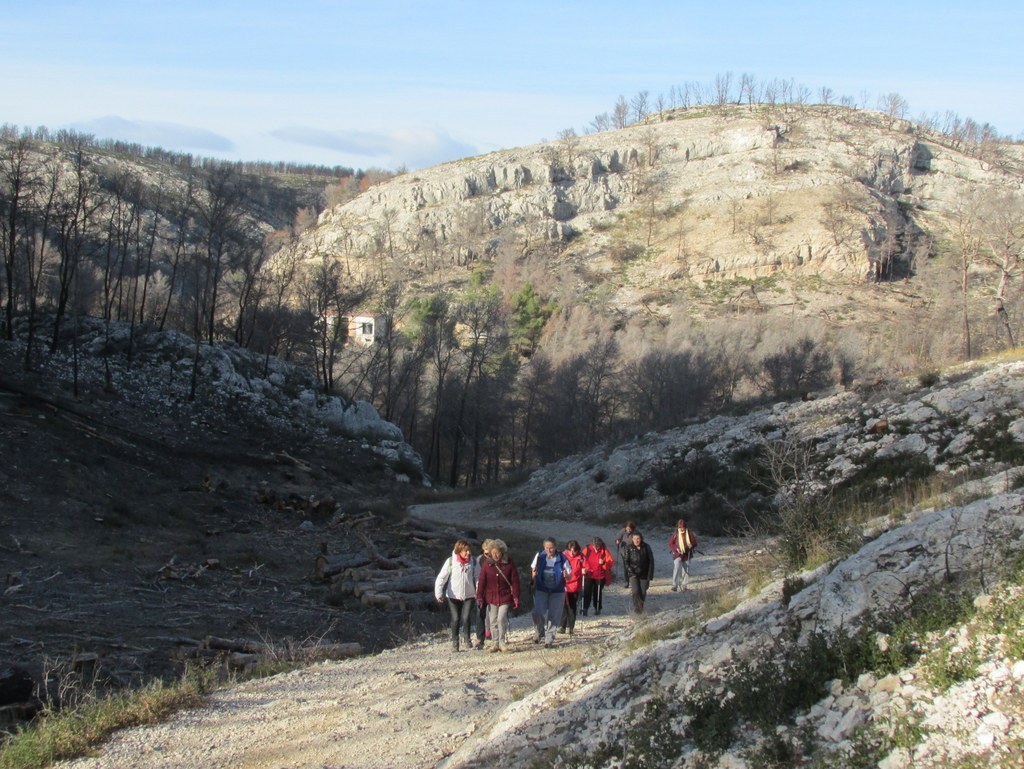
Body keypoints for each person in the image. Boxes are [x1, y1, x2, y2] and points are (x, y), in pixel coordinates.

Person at [434, 539, 480, 652]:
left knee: (466, 617)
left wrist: (479, 591)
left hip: (470, 594)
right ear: (459, 551)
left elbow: (479, 577)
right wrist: (438, 593)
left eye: (469, 550)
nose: (468, 553)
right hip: (453, 595)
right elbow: (441, 578)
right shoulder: (450, 562)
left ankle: (467, 638)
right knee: (455, 618)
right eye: (465, 551)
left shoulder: (473, 562)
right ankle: (455, 642)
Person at [475, 539, 520, 653]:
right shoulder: (486, 564)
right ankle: (495, 643)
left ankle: (502, 642)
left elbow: (515, 580)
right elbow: (482, 581)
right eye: (493, 553)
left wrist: (515, 596)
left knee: (501, 619)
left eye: (498, 552)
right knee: (492, 621)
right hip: (491, 597)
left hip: (505, 596)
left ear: (502, 552)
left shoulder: (509, 563)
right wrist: (479, 597)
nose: (496, 555)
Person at [530, 537, 572, 648]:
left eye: (551, 548)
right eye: (547, 548)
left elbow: (569, 575)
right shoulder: (540, 556)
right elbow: (533, 569)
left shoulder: (562, 558)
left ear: (555, 547)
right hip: (541, 589)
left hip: (557, 591)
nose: (549, 550)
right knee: (537, 612)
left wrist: (566, 575)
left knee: (554, 615)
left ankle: (549, 640)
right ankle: (539, 632)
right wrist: (533, 579)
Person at [580, 536, 614, 616]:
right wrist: (583, 568)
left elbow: (610, 562)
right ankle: (584, 608)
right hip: (588, 574)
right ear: (592, 544)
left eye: (598, 545)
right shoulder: (587, 549)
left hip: (600, 575)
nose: (596, 547)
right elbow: (581, 559)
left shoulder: (604, 551)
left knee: (597, 592)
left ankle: (597, 608)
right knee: (586, 592)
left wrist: (604, 563)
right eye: (595, 545)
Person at [623, 530, 654, 614]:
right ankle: (637, 610)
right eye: (635, 538)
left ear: (641, 539)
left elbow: (651, 561)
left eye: (638, 538)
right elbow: (626, 561)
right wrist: (630, 571)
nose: (637, 540)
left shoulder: (646, 547)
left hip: (644, 573)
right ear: (632, 539)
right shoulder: (628, 548)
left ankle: (640, 608)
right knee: (635, 591)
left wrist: (650, 575)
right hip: (633, 573)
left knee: (643, 592)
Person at [559, 540, 585, 637]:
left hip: (575, 585)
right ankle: (562, 626)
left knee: (572, 606)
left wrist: (585, 570)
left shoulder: (581, 557)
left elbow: (587, 566)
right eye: (571, 551)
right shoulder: (563, 556)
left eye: (574, 551)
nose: (573, 553)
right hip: (564, 584)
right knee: (564, 605)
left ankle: (571, 627)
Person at [669, 518, 698, 592]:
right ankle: (674, 585)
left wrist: (691, 545)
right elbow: (670, 543)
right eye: (680, 527)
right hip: (678, 554)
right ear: (678, 527)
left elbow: (695, 543)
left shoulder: (689, 533)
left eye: (683, 527)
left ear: (685, 527)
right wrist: (676, 548)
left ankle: (684, 586)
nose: (682, 529)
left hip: (687, 554)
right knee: (677, 567)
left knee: (686, 570)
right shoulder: (675, 534)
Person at [475, 539, 494, 649]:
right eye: (485, 552)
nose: (486, 555)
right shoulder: (478, 560)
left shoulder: (497, 559)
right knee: (480, 614)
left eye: (489, 553)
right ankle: (480, 638)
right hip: (482, 590)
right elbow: (476, 576)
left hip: (494, 590)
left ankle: (497, 637)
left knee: (494, 614)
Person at [614, 521, 638, 587]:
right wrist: (617, 540)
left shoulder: (635, 532)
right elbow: (618, 537)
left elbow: (639, 540)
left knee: (634, 566)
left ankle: (634, 581)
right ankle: (626, 582)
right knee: (626, 567)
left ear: (632, 528)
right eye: (627, 528)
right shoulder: (622, 531)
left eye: (629, 529)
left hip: (633, 552)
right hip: (624, 552)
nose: (628, 530)